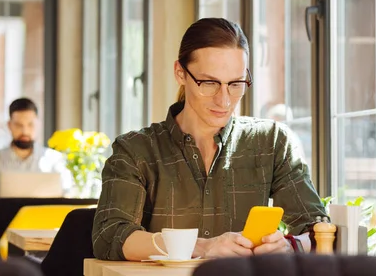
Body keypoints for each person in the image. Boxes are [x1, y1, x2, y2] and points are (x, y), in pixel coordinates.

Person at [92, 18, 326, 261]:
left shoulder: (272, 143)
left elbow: (319, 231)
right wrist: (201, 247)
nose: (224, 100)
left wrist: (290, 247)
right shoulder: (135, 151)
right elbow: (110, 236)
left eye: (236, 84)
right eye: (209, 83)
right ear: (180, 73)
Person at [0, 98, 66, 213]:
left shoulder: (56, 161)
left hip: (48, 227)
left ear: (38, 124)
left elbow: (69, 198)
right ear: (9, 125)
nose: (25, 131)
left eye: (30, 124)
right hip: (3, 229)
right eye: (19, 125)